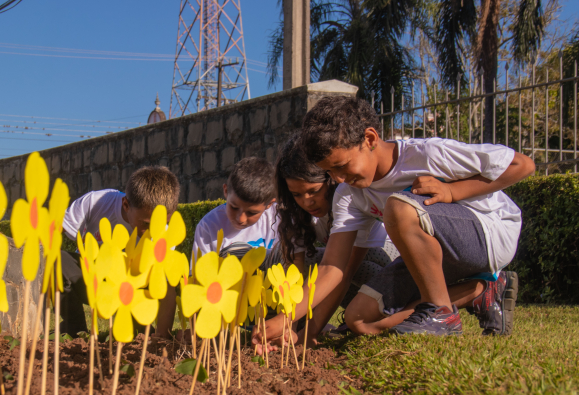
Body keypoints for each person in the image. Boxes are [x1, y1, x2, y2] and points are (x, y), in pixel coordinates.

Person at [274, 96, 534, 337]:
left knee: (398, 207)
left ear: (370, 139)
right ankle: (479, 292)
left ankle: (441, 313)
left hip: (488, 234)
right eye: (330, 172)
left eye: (341, 166)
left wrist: (452, 190)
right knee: (359, 319)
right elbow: (334, 268)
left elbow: (522, 165)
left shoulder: (428, 154)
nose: (339, 179)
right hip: (436, 257)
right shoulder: (348, 195)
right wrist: (293, 326)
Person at [263, 133, 399, 347]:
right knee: (301, 262)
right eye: (297, 195)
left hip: (386, 262)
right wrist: (290, 326)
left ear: (332, 178)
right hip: (341, 271)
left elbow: (343, 272)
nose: (307, 202)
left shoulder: (351, 202)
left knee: (360, 265)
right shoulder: (295, 213)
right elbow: (294, 275)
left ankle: (393, 309)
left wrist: (309, 334)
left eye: (314, 191)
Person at [60, 166, 181, 338]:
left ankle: (139, 332)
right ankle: (75, 333)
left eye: (161, 223)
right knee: (57, 260)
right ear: (126, 204)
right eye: (146, 224)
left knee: (133, 338)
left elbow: (166, 287)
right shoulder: (96, 202)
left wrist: (162, 337)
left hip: (132, 292)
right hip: (91, 279)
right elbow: (54, 230)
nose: (154, 231)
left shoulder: (165, 235)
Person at [192, 157, 281, 267]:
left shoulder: (280, 219)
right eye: (234, 207)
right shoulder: (208, 226)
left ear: (269, 204)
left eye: (252, 213)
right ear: (225, 191)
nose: (241, 219)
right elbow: (199, 275)